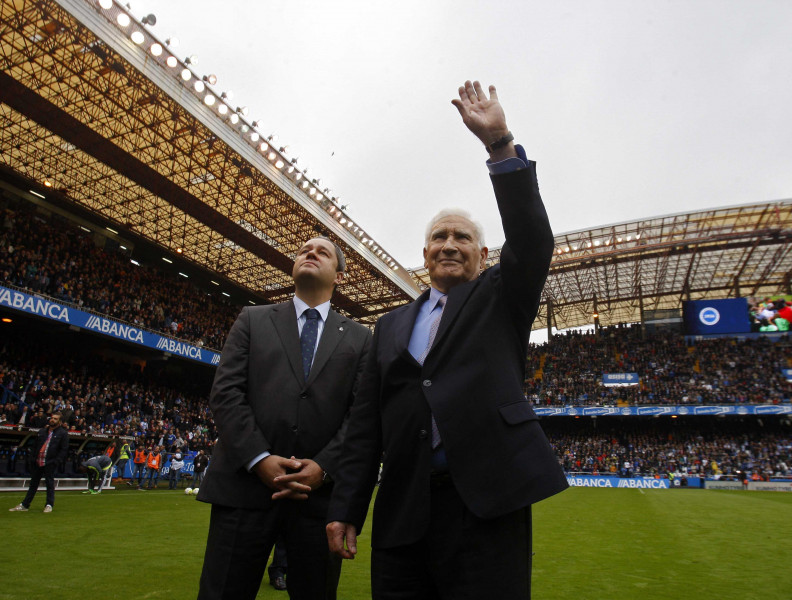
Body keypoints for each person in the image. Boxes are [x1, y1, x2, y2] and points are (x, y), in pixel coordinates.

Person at [326, 81, 568, 599]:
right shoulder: (388, 326)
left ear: (483, 257)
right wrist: (347, 506)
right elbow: (365, 425)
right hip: (403, 511)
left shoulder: (502, 297)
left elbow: (531, 239)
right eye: (440, 237)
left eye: (463, 238)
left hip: (486, 504)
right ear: (425, 254)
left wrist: (499, 143)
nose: (451, 244)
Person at [196, 235, 372, 600]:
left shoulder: (360, 338)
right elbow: (226, 392)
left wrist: (323, 467)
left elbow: (362, 415)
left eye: (323, 252)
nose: (311, 252)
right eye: (305, 250)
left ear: (339, 276)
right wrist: (259, 459)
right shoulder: (252, 318)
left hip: (318, 500)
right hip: (243, 490)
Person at [9, 412, 70, 513]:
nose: (52, 420)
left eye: (55, 419)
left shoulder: (62, 434)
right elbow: (35, 446)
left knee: (49, 483)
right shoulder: (42, 432)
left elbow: (63, 450)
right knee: (33, 484)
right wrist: (32, 458)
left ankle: (49, 504)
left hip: (50, 462)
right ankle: (25, 505)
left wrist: (56, 461)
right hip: (38, 461)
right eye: (52, 418)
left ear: (59, 421)